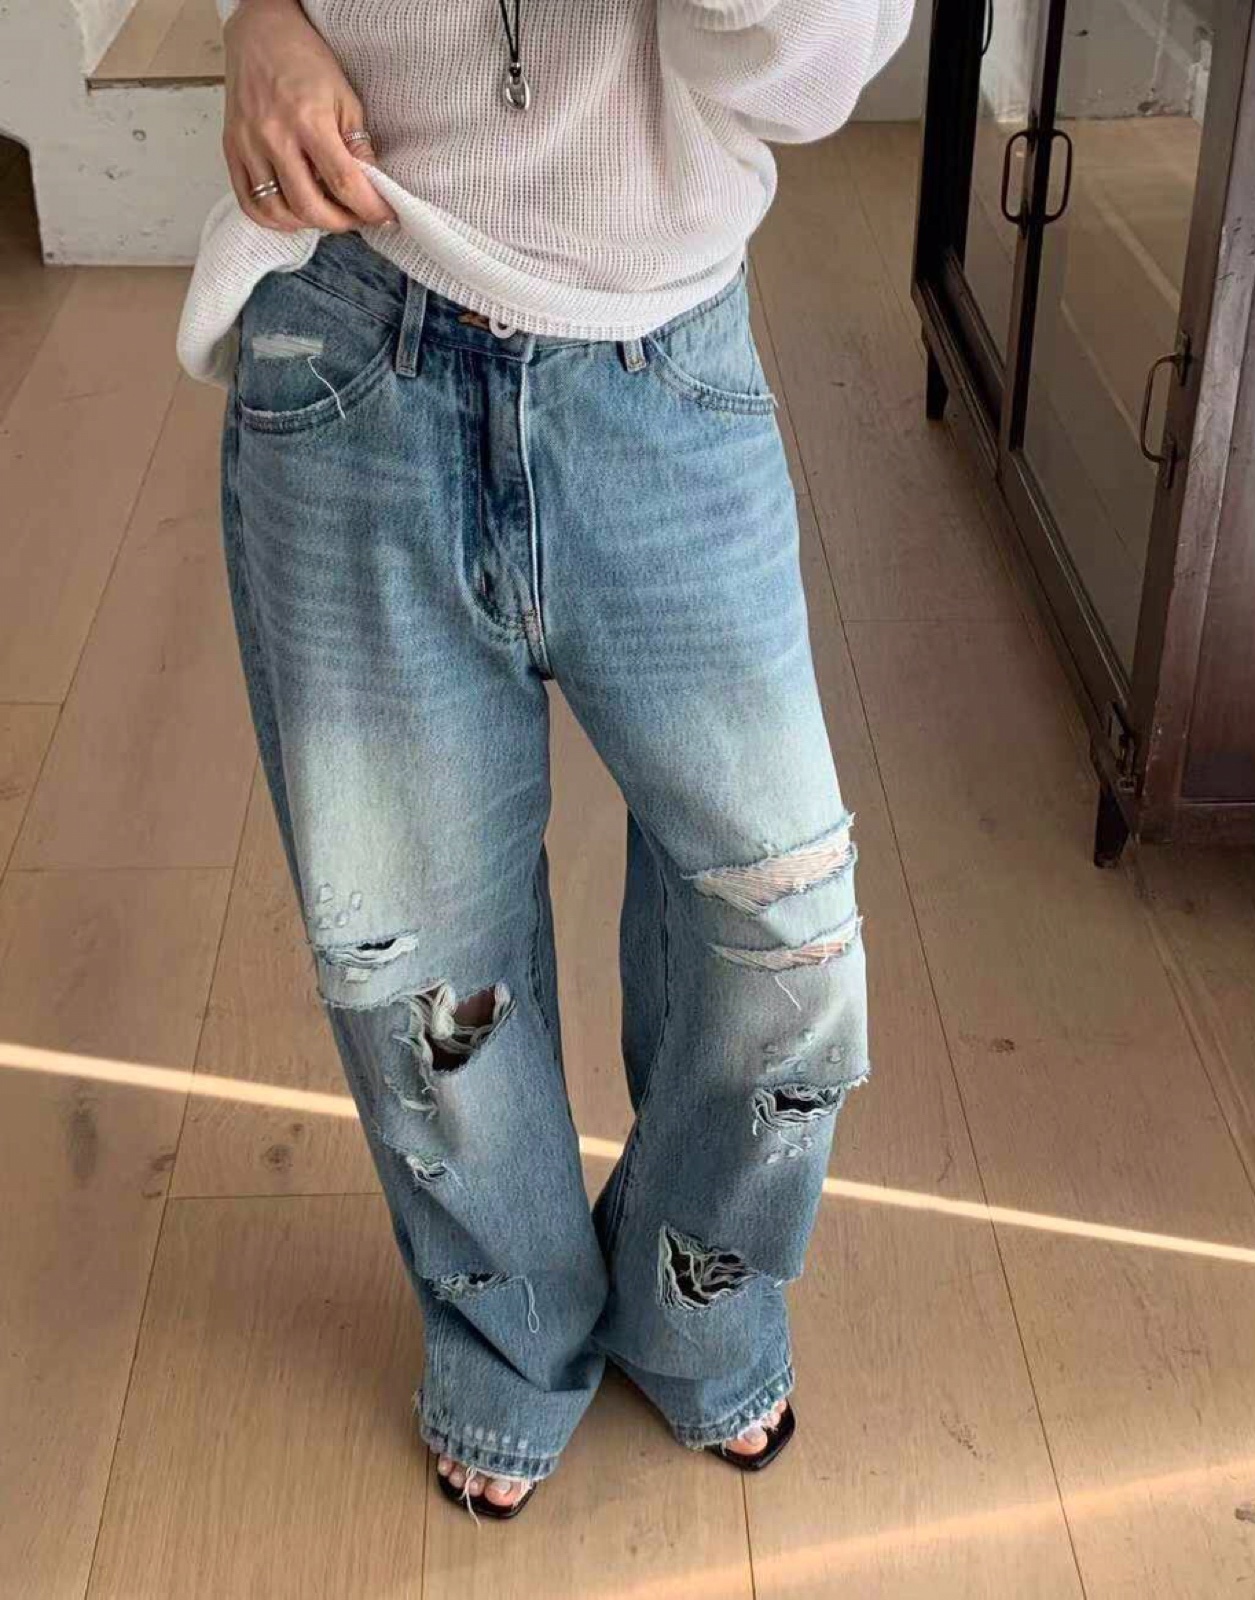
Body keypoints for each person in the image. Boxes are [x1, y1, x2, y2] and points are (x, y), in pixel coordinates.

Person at [177, 0, 914, 1520]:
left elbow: (808, 76)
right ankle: (510, 1342)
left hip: (665, 363)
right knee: (419, 966)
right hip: (351, 333)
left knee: (784, 945)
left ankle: (695, 1306)